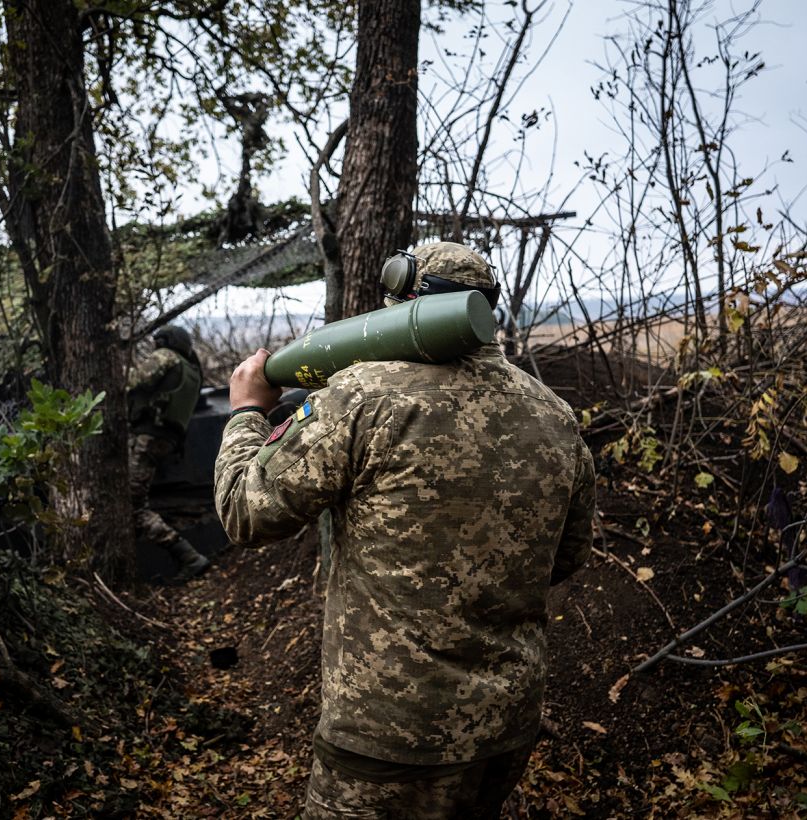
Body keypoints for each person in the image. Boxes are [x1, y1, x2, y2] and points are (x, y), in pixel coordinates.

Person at [213, 241, 596, 819]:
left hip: (388, 731)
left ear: (400, 307)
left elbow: (246, 510)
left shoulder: (365, 396)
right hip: (503, 727)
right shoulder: (554, 415)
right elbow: (564, 558)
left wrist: (246, 411)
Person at [128, 324, 211, 581]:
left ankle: (189, 556)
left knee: (132, 508)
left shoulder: (166, 357)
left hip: (146, 436)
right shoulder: (192, 371)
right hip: (166, 440)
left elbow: (132, 382)